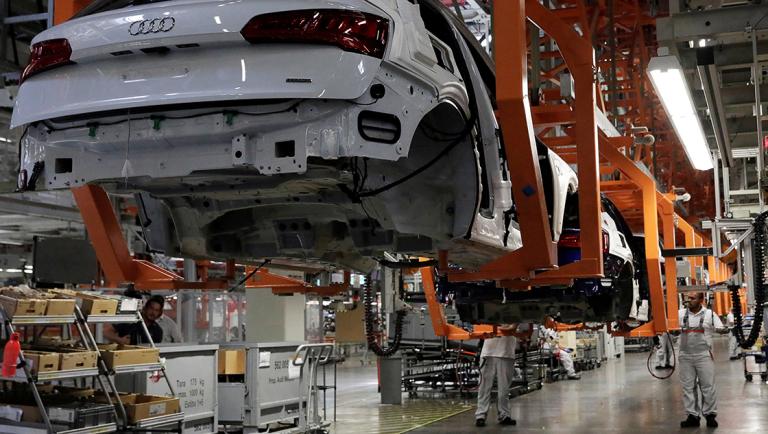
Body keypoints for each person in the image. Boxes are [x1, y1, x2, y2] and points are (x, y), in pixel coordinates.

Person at [677, 292, 728, 428]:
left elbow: (721, 328)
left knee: (707, 386)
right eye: (687, 298)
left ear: (701, 300)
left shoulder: (709, 314)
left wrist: (723, 330)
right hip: (685, 355)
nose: (689, 300)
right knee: (688, 387)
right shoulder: (680, 314)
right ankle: (692, 416)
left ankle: (710, 415)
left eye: (692, 298)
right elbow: (670, 329)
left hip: (704, 355)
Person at [475, 325, 518, 428]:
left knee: (504, 389)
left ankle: (504, 415)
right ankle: (480, 415)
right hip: (488, 351)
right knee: (484, 387)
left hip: (506, 352)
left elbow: (516, 327)